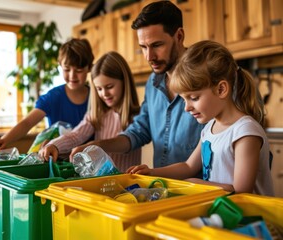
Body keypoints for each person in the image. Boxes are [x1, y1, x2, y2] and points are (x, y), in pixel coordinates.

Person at [127, 40, 274, 196]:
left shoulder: (244, 131)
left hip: (254, 217)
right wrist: (151, 172)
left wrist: (198, 184)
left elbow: (242, 191)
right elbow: (188, 166)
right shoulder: (209, 129)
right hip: (227, 213)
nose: (186, 107)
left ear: (221, 89)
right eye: (184, 99)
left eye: (194, 98)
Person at [70, 1, 204, 169]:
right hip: (165, 186)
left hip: (205, 189)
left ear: (179, 36)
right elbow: (138, 132)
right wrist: (98, 145)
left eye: (156, 45)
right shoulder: (153, 84)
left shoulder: (206, 77)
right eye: (143, 47)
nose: (149, 56)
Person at [40, 51, 141, 172]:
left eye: (109, 87)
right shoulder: (97, 114)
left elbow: (125, 144)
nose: (104, 94)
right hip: (101, 185)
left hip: (127, 185)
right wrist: (54, 145)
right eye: (99, 89)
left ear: (125, 83)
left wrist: (96, 145)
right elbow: (76, 135)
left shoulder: (138, 117)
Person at [0, 38, 94, 151]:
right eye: (67, 69)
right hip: (55, 162)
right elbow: (27, 122)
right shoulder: (53, 97)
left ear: (89, 68)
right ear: (60, 66)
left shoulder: (96, 98)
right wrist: (5, 139)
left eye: (79, 70)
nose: (72, 75)